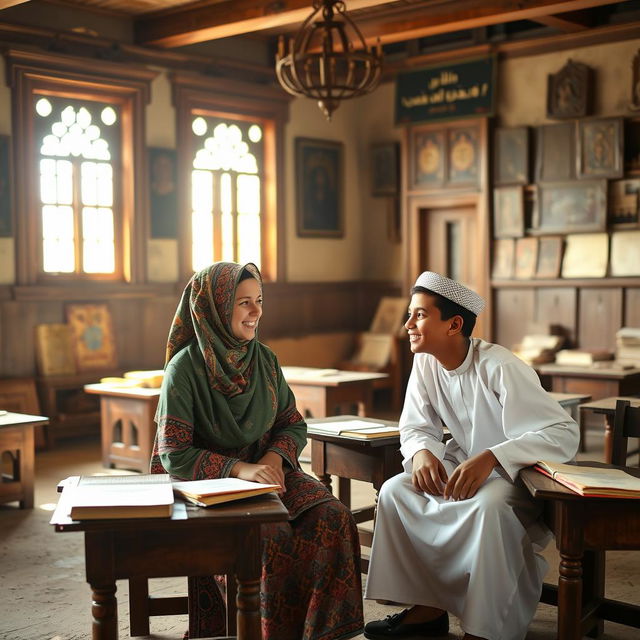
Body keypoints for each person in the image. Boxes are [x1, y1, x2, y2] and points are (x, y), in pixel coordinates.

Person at [150, 261, 363, 640]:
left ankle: (322, 634)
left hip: (269, 474)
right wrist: (238, 469)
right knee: (269, 537)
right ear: (214, 308)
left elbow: (292, 423)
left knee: (333, 517)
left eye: (259, 300)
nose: (256, 312)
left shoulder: (264, 359)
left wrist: (271, 459)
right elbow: (173, 452)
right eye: (244, 302)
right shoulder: (183, 370)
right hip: (209, 486)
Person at [363, 271, 580, 640]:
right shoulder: (426, 362)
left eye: (419, 315)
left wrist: (494, 457)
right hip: (460, 466)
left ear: (454, 324)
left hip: (516, 478)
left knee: (488, 506)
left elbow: (563, 432)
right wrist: (422, 454)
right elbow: (415, 426)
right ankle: (427, 610)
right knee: (397, 491)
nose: (408, 324)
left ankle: (486, 628)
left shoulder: (501, 366)